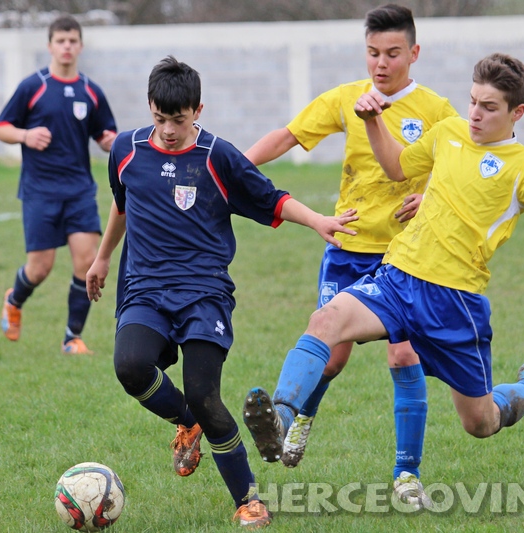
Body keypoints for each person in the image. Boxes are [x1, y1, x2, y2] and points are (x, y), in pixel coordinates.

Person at [243, 52, 524, 509]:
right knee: (326, 320)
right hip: (398, 276)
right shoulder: (448, 133)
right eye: (472, 101)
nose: (476, 114)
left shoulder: (523, 164)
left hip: (454, 302)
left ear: (516, 112)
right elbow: (398, 167)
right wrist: (371, 123)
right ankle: (281, 420)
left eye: (489, 107)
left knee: (480, 422)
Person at [85, 56, 357, 529]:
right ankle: (184, 422)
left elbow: (271, 197)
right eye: (160, 118)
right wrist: (104, 256)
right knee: (130, 366)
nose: (168, 130)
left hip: (203, 293)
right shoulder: (126, 149)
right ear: (150, 107)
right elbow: (122, 202)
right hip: (145, 287)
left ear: (198, 110)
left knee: (205, 394)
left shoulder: (216, 156)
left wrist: (317, 221)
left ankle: (248, 498)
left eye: (179, 119)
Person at [244, 3, 458, 489]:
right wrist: (231, 169)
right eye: (372, 53)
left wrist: (428, 196)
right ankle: (296, 417)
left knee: (404, 356)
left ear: (414, 53)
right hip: (348, 247)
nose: (381, 63)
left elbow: (463, 165)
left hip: (406, 258)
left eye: (392, 54)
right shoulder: (348, 98)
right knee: (333, 354)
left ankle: (407, 475)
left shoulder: (436, 111)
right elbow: (289, 136)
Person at [0, 14, 117, 355]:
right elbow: (1, 127)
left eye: (72, 41)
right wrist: (24, 135)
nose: (66, 46)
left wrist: (109, 141)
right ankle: (14, 299)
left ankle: (71, 338)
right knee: (40, 268)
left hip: (79, 190)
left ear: (80, 46)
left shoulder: (91, 91)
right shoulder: (33, 87)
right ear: (50, 46)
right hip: (40, 191)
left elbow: (105, 132)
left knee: (86, 262)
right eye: (60, 41)